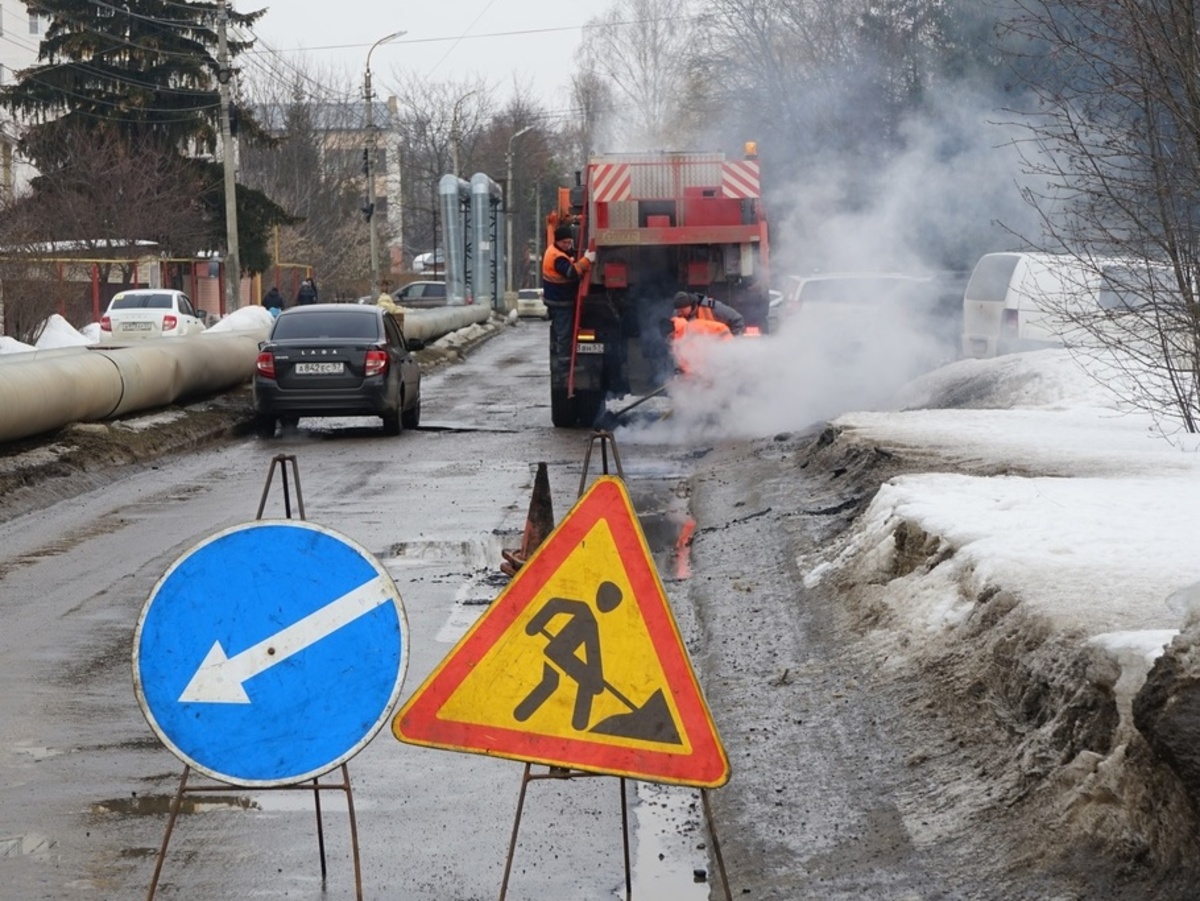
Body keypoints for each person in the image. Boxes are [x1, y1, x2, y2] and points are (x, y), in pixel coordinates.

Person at [541, 224, 595, 378]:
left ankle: (566, 364)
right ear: (557, 242)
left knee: (564, 333)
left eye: (569, 242)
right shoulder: (557, 257)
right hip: (560, 302)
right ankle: (564, 367)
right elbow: (571, 272)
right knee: (564, 335)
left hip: (558, 300)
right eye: (564, 242)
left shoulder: (555, 252)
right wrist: (586, 261)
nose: (567, 245)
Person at [672, 290, 745, 336]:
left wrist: (732, 343)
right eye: (678, 310)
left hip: (718, 349)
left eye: (682, 310)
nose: (679, 313)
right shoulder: (677, 314)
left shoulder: (711, 307)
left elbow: (737, 319)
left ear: (690, 305)